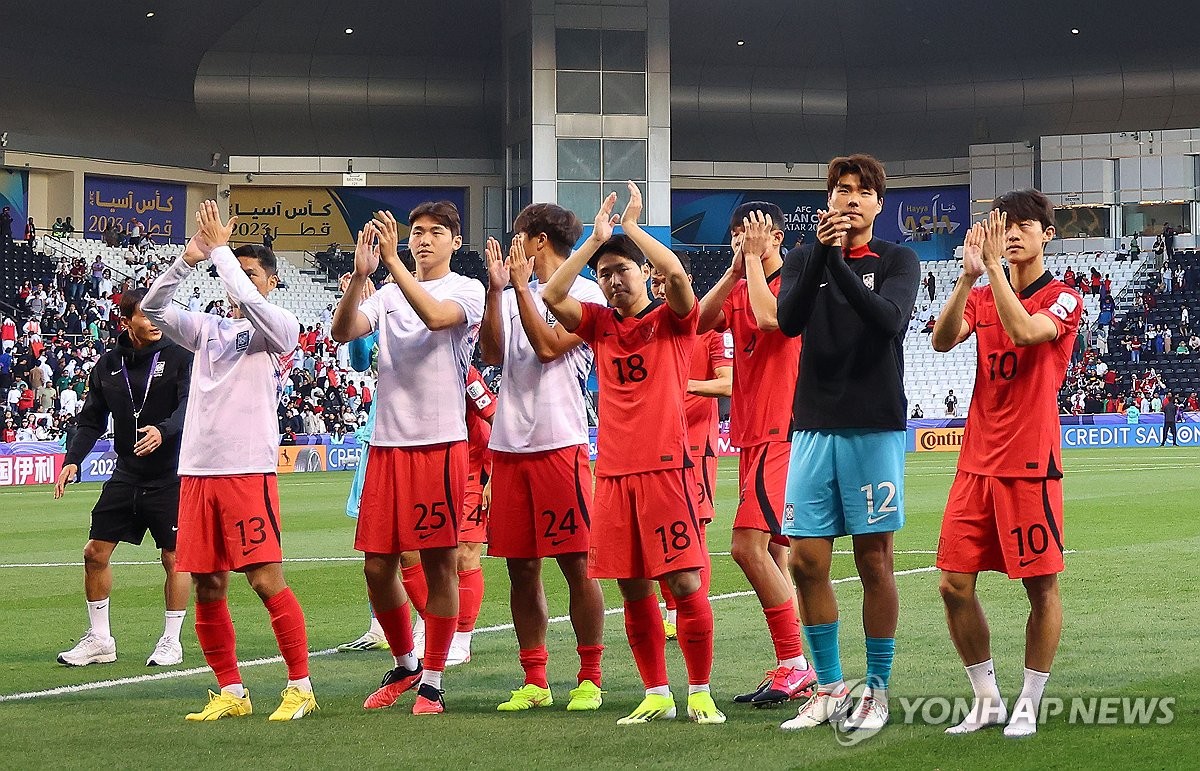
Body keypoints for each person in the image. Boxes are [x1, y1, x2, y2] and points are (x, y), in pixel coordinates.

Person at [543, 184, 725, 726]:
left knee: (685, 581)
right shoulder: (599, 325)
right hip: (616, 475)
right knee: (631, 585)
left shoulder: (672, 321)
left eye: (622, 269)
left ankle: (699, 691)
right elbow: (552, 295)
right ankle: (655, 692)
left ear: (643, 273)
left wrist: (633, 233)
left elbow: (680, 279)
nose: (613, 280)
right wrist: (595, 242)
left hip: (668, 469)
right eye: (605, 274)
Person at [142, 201, 317, 722]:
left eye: (252, 272)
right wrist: (189, 258)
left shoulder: (278, 326)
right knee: (207, 582)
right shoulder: (208, 330)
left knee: (265, 579)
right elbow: (151, 311)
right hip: (198, 471)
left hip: (246, 470)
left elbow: (257, 308)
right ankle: (232, 691)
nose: (239, 280)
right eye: (236, 272)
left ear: (271, 283)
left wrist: (222, 254)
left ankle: (301, 685)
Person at [775, 154, 920, 733]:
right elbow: (788, 322)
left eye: (863, 192)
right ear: (829, 199)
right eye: (842, 190)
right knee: (805, 559)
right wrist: (824, 258)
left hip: (872, 423)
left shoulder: (897, 259)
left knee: (873, 561)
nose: (852, 199)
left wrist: (838, 262)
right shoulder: (803, 259)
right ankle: (831, 687)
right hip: (812, 423)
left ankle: (876, 692)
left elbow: (888, 320)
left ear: (879, 204)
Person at [931, 189, 1083, 738]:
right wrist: (968, 278)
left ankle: (1030, 700)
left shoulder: (1065, 298)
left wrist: (992, 269)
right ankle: (988, 697)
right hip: (975, 463)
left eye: (1023, 225)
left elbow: (1024, 331)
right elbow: (942, 341)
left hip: (1029, 466)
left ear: (1047, 234)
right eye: (1004, 225)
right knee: (952, 583)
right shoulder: (981, 292)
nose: (1012, 233)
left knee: (1040, 588)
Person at [331, 202, 484, 716]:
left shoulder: (467, 290)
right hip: (388, 447)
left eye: (435, 233)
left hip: (440, 444)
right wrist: (359, 277)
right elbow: (343, 331)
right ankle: (405, 662)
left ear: (454, 242)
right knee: (378, 566)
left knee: (441, 566)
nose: (423, 240)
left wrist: (394, 264)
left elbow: (437, 318)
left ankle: (434, 680)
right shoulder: (388, 292)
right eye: (416, 232)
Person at [478, 203, 608, 713]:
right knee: (520, 568)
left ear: (535, 241)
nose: (512, 246)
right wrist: (497, 292)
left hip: (561, 442)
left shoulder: (587, 293)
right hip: (509, 447)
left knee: (578, 565)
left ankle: (590, 676)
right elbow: (491, 354)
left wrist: (523, 290)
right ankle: (535, 678)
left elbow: (550, 347)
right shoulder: (510, 293)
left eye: (517, 237)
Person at [696, 203, 815, 707]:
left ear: (778, 236)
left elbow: (772, 322)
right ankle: (796, 667)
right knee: (776, 553)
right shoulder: (740, 283)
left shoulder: (798, 278)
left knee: (747, 546)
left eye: (755, 232)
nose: (744, 240)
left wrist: (750, 264)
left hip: (783, 429)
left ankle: (795, 664)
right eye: (738, 233)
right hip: (749, 434)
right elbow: (699, 320)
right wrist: (734, 268)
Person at [53, 288, 193, 667]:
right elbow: (91, 418)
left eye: (159, 314)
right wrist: (72, 460)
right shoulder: (108, 364)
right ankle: (100, 639)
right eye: (147, 316)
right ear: (127, 320)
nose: (155, 323)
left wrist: (163, 430)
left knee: (175, 557)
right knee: (94, 553)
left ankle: (171, 640)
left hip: (172, 474)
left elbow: (191, 406)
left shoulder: (181, 356)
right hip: (127, 473)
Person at [651, 251, 731, 643]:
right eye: (653, 278)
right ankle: (672, 611)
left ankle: (693, 609)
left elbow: (730, 383)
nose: (658, 283)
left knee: (694, 531)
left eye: (664, 277)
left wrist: (685, 386)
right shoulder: (650, 327)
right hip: (655, 444)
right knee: (660, 529)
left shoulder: (708, 330)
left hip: (695, 445)